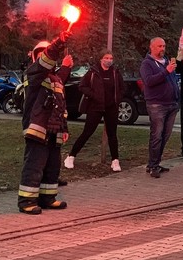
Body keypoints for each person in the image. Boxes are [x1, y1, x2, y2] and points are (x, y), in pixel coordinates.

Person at [17, 33, 72, 215]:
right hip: (38, 128)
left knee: (52, 166)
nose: (44, 57)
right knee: (35, 164)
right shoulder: (34, 73)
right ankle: (26, 201)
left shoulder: (54, 79)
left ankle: (47, 198)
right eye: (41, 54)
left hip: (54, 130)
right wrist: (59, 42)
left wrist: (64, 128)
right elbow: (44, 63)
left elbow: (60, 106)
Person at [64, 51, 124, 172]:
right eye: (106, 58)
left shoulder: (115, 72)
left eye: (111, 58)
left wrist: (117, 98)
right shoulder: (93, 72)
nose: (109, 60)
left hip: (111, 107)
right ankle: (71, 156)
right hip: (95, 107)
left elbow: (122, 87)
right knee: (87, 132)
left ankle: (115, 160)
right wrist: (93, 95)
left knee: (112, 134)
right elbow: (82, 86)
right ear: (101, 59)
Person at [140, 37, 180, 178]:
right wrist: (166, 71)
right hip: (157, 104)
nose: (162, 48)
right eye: (159, 46)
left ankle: (155, 163)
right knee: (156, 135)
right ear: (152, 47)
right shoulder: (147, 64)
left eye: (163, 46)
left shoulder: (168, 61)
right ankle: (153, 165)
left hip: (172, 104)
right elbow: (149, 81)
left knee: (165, 135)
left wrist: (176, 95)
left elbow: (173, 79)